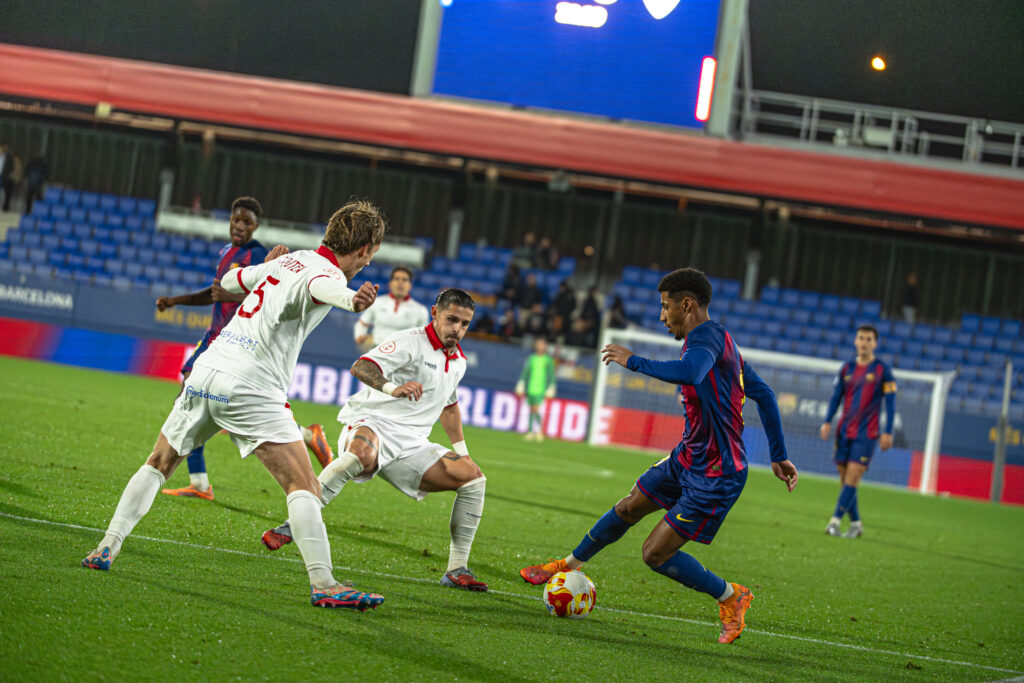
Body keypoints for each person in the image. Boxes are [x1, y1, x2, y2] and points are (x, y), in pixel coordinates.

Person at [83, 199, 389, 610]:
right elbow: (326, 288)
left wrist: (267, 267)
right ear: (365, 249)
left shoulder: (287, 260)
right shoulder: (328, 274)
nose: (368, 263)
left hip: (207, 371)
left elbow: (228, 281)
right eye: (371, 255)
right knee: (304, 486)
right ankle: (325, 583)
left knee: (159, 462)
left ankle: (107, 545)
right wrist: (354, 300)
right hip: (251, 385)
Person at [519, 268, 798, 644]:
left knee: (654, 554)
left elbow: (692, 373)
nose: (662, 316)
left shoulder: (707, 339)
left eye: (666, 307)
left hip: (716, 473)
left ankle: (732, 596)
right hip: (687, 458)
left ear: (688, 304)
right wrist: (778, 454)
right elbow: (764, 394)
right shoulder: (720, 342)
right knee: (629, 506)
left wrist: (634, 361)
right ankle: (566, 565)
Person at [260, 289, 489, 591]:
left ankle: (456, 568)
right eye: (451, 319)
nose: (457, 329)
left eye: (464, 323)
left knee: (474, 479)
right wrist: (393, 388)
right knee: (361, 457)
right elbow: (362, 366)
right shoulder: (410, 341)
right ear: (435, 312)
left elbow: (449, 406)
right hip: (373, 423)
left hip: (412, 444)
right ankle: (294, 525)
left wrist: (462, 451)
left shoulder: (458, 361)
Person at [155, 196, 334, 500]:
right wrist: (175, 301)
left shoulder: (259, 255)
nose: (239, 226)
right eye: (235, 219)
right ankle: (200, 482)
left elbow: (270, 295)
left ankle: (201, 483)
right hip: (215, 338)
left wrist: (231, 296)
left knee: (201, 403)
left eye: (246, 222)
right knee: (196, 400)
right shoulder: (227, 251)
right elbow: (215, 293)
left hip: (238, 342)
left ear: (255, 226)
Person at [819, 325, 896, 539]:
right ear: (855, 341)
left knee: (853, 475)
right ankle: (856, 523)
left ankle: (834, 522)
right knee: (845, 479)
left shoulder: (883, 370)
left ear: (875, 343)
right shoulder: (846, 368)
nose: (864, 342)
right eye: (861, 338)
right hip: (844, 431)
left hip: (867, 433)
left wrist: (888, 431)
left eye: (869, 339)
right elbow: (836, 396)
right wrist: (827, 421)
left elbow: (891, 403)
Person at [353, 266, 428, 351]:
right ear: (390, 284)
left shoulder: (420, 310)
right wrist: (359, 335)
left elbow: (423, 338)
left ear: (410, 286)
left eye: (404, 280)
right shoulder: (377, 302)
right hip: (376, 350)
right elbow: (362, 323)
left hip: (404, 353)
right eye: (396, 279)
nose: (400, 283)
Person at [515, 337, 556, 441]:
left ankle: (540, 430)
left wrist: (552, 386)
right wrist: (521, 382)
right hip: (530, 387)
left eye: (542, 344)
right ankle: (530, 432)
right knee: (531, 409)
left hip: (541, 388)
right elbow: (526, 371)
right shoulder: (531, 358)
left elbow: (551, 374)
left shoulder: (548, 360)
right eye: (538, 344)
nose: (540, 346)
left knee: (535, 409)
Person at [0, 142, 14, 211]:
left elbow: (11, 167)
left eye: (7, 147)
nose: (5, 148)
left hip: (3, 177)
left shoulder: (9, 157)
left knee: (4, 193)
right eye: (4, 147)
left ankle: (4, 208)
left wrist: (5, 174)